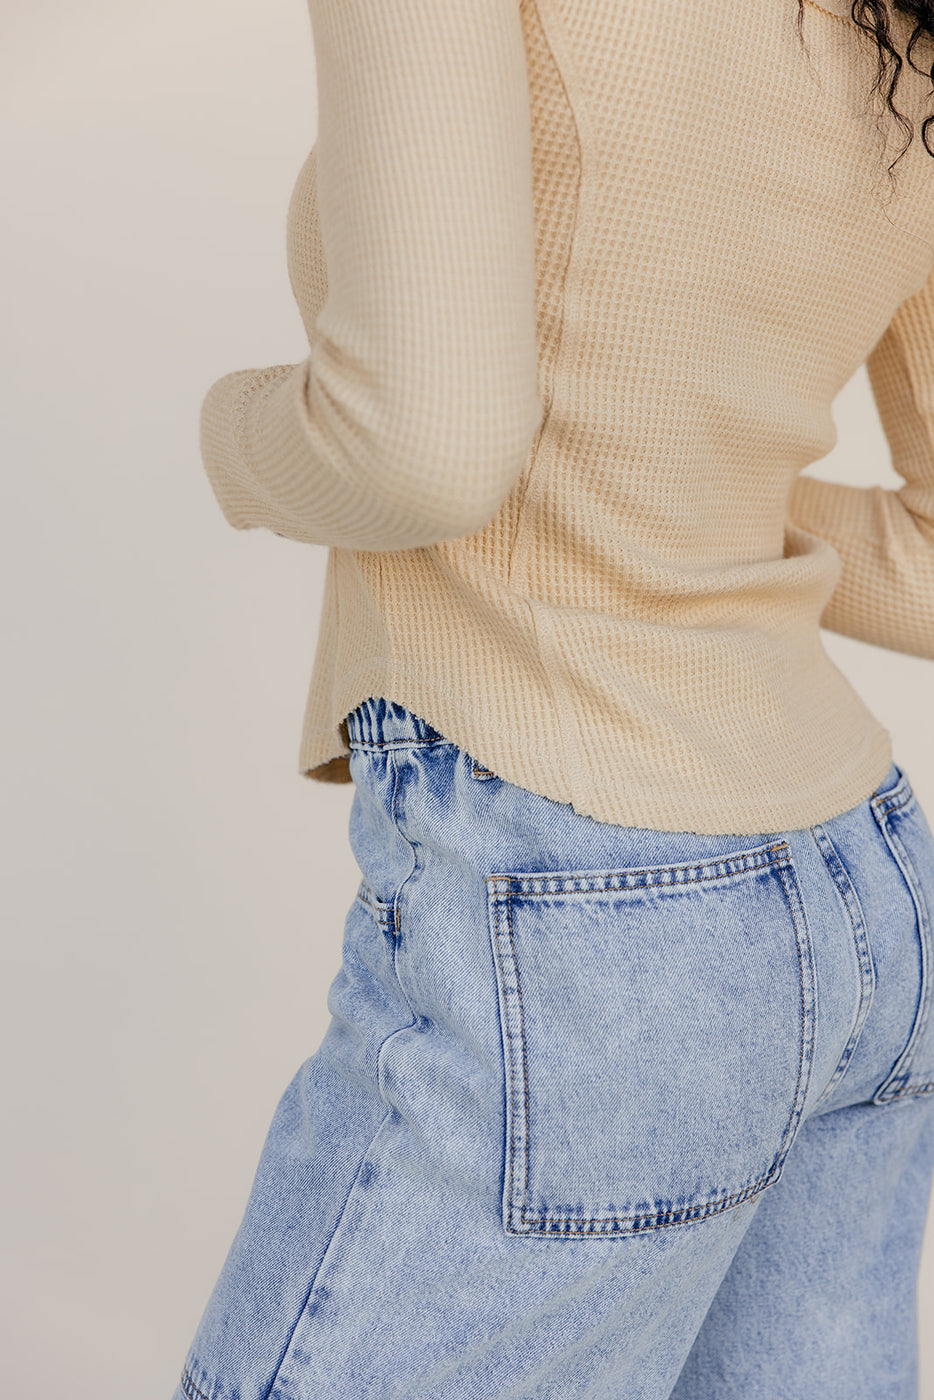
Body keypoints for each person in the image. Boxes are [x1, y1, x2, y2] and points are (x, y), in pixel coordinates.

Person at [175, 1, 934, 1395]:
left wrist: (229, 433)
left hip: (592, 892)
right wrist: (689, 507)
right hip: (862, 892)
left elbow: (420, 448)